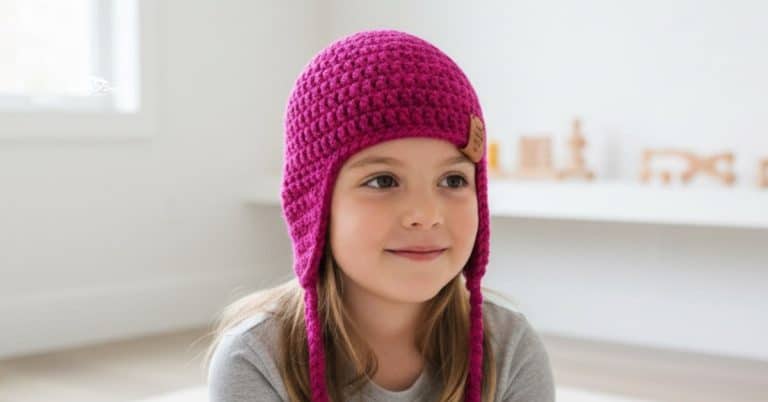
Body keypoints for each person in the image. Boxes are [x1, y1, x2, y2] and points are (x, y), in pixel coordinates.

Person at [204, 29, 555, 402]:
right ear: (313, 204)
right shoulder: (257, 359)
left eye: (453, 180)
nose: (426, 215)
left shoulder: (511, 351)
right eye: (383, 181)